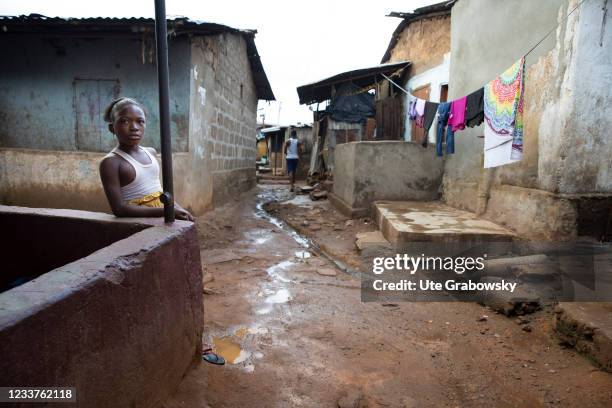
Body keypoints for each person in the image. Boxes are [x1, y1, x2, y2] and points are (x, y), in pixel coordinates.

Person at [99, 97, 194, 221]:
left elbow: (158, 191)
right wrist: (166, 211)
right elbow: (119, 209)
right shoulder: (111, 163)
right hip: (139, 221)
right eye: (125, 121)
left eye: (140, 121)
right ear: (112, 128)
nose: (134, 127)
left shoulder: (151, 152)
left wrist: (177, 208)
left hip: (162, 215)